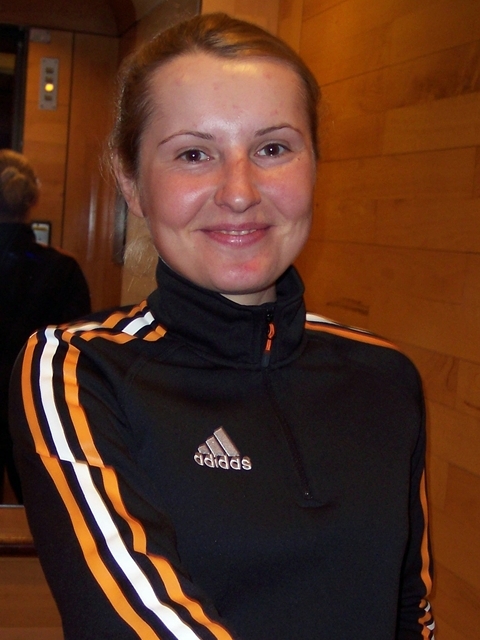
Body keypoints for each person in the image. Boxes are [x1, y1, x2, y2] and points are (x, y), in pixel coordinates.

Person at [9, 13, 435, 639]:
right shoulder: (77, 369)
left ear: (314, 165)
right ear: (132, 183)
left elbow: (411, 612)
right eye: (193, 154)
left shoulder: (386, 377)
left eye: (272, 149)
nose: (239, 192)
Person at [0, 149, 91, 502]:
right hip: (38, 405)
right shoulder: (63, 269)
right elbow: (77, 353)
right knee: (46, 508)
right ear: (32, 199)